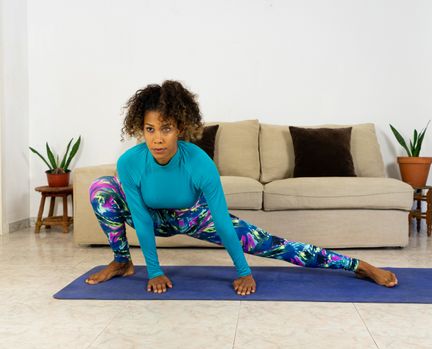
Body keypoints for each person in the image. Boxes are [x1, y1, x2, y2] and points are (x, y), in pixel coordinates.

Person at [85, 80, 398, 295]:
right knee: (101, 187)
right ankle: (122, 262)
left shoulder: (199, 162)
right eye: (150, 129)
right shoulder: (130, 162)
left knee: (273, 244)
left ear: (180, 128)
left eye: (165, 129)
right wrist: (153, 271)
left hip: (194, 215)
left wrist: (244, 270)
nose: (156, 138)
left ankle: (358, 265)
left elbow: (220, 219)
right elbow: (139, 218)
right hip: (152, 217)